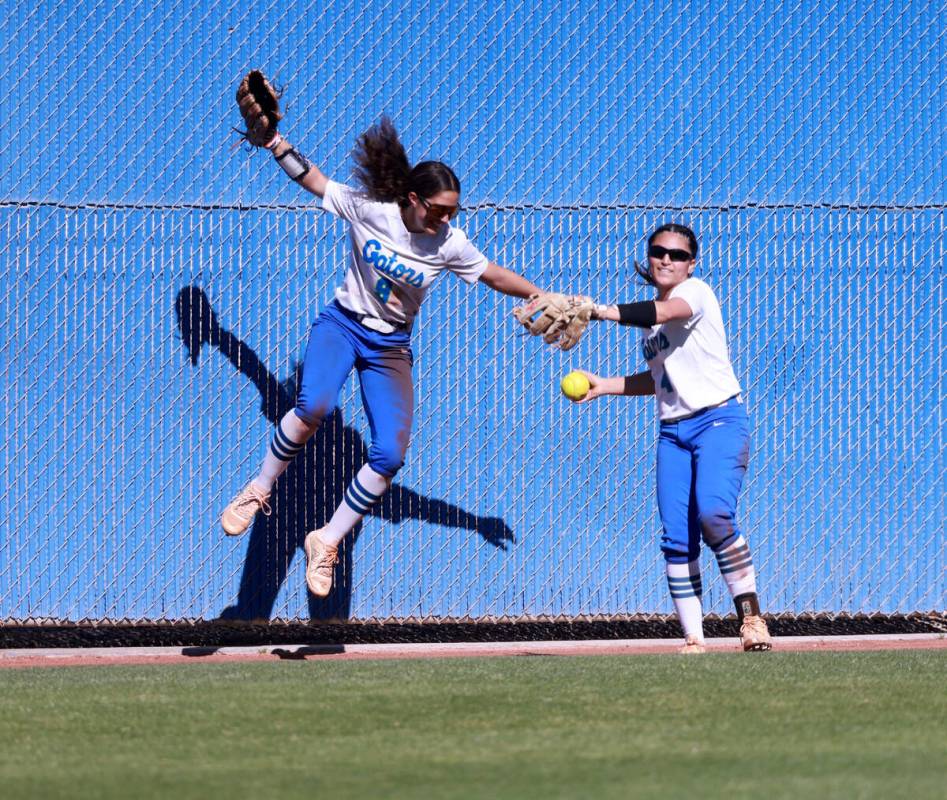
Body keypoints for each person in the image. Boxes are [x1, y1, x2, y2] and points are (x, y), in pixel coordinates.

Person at [221, 116, 543, 599]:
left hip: (389, 345)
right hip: (343, 325)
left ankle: (326, 541)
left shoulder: (448, 243)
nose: (446, 219)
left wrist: (541, 293)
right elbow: (314, 180)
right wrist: (273, 143)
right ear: (412, 199)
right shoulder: (372, 209)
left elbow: (492, 274)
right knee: (312, 407)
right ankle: (259, 487)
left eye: (453, 210)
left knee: (390, 455)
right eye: (438, 209)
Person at [572, 222, 772, 654]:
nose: (667, 259)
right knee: (677, 537)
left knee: (715, 515)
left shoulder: (695, 292)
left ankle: (751, 617)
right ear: (649, 257)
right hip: (673, 433)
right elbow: (662, 379)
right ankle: (694, 639)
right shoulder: (651, 326)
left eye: (677, 255)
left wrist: (599, 311)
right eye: (659, 251)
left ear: (691, 264)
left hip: (718, 421)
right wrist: (605, 385)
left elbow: (663, 312)